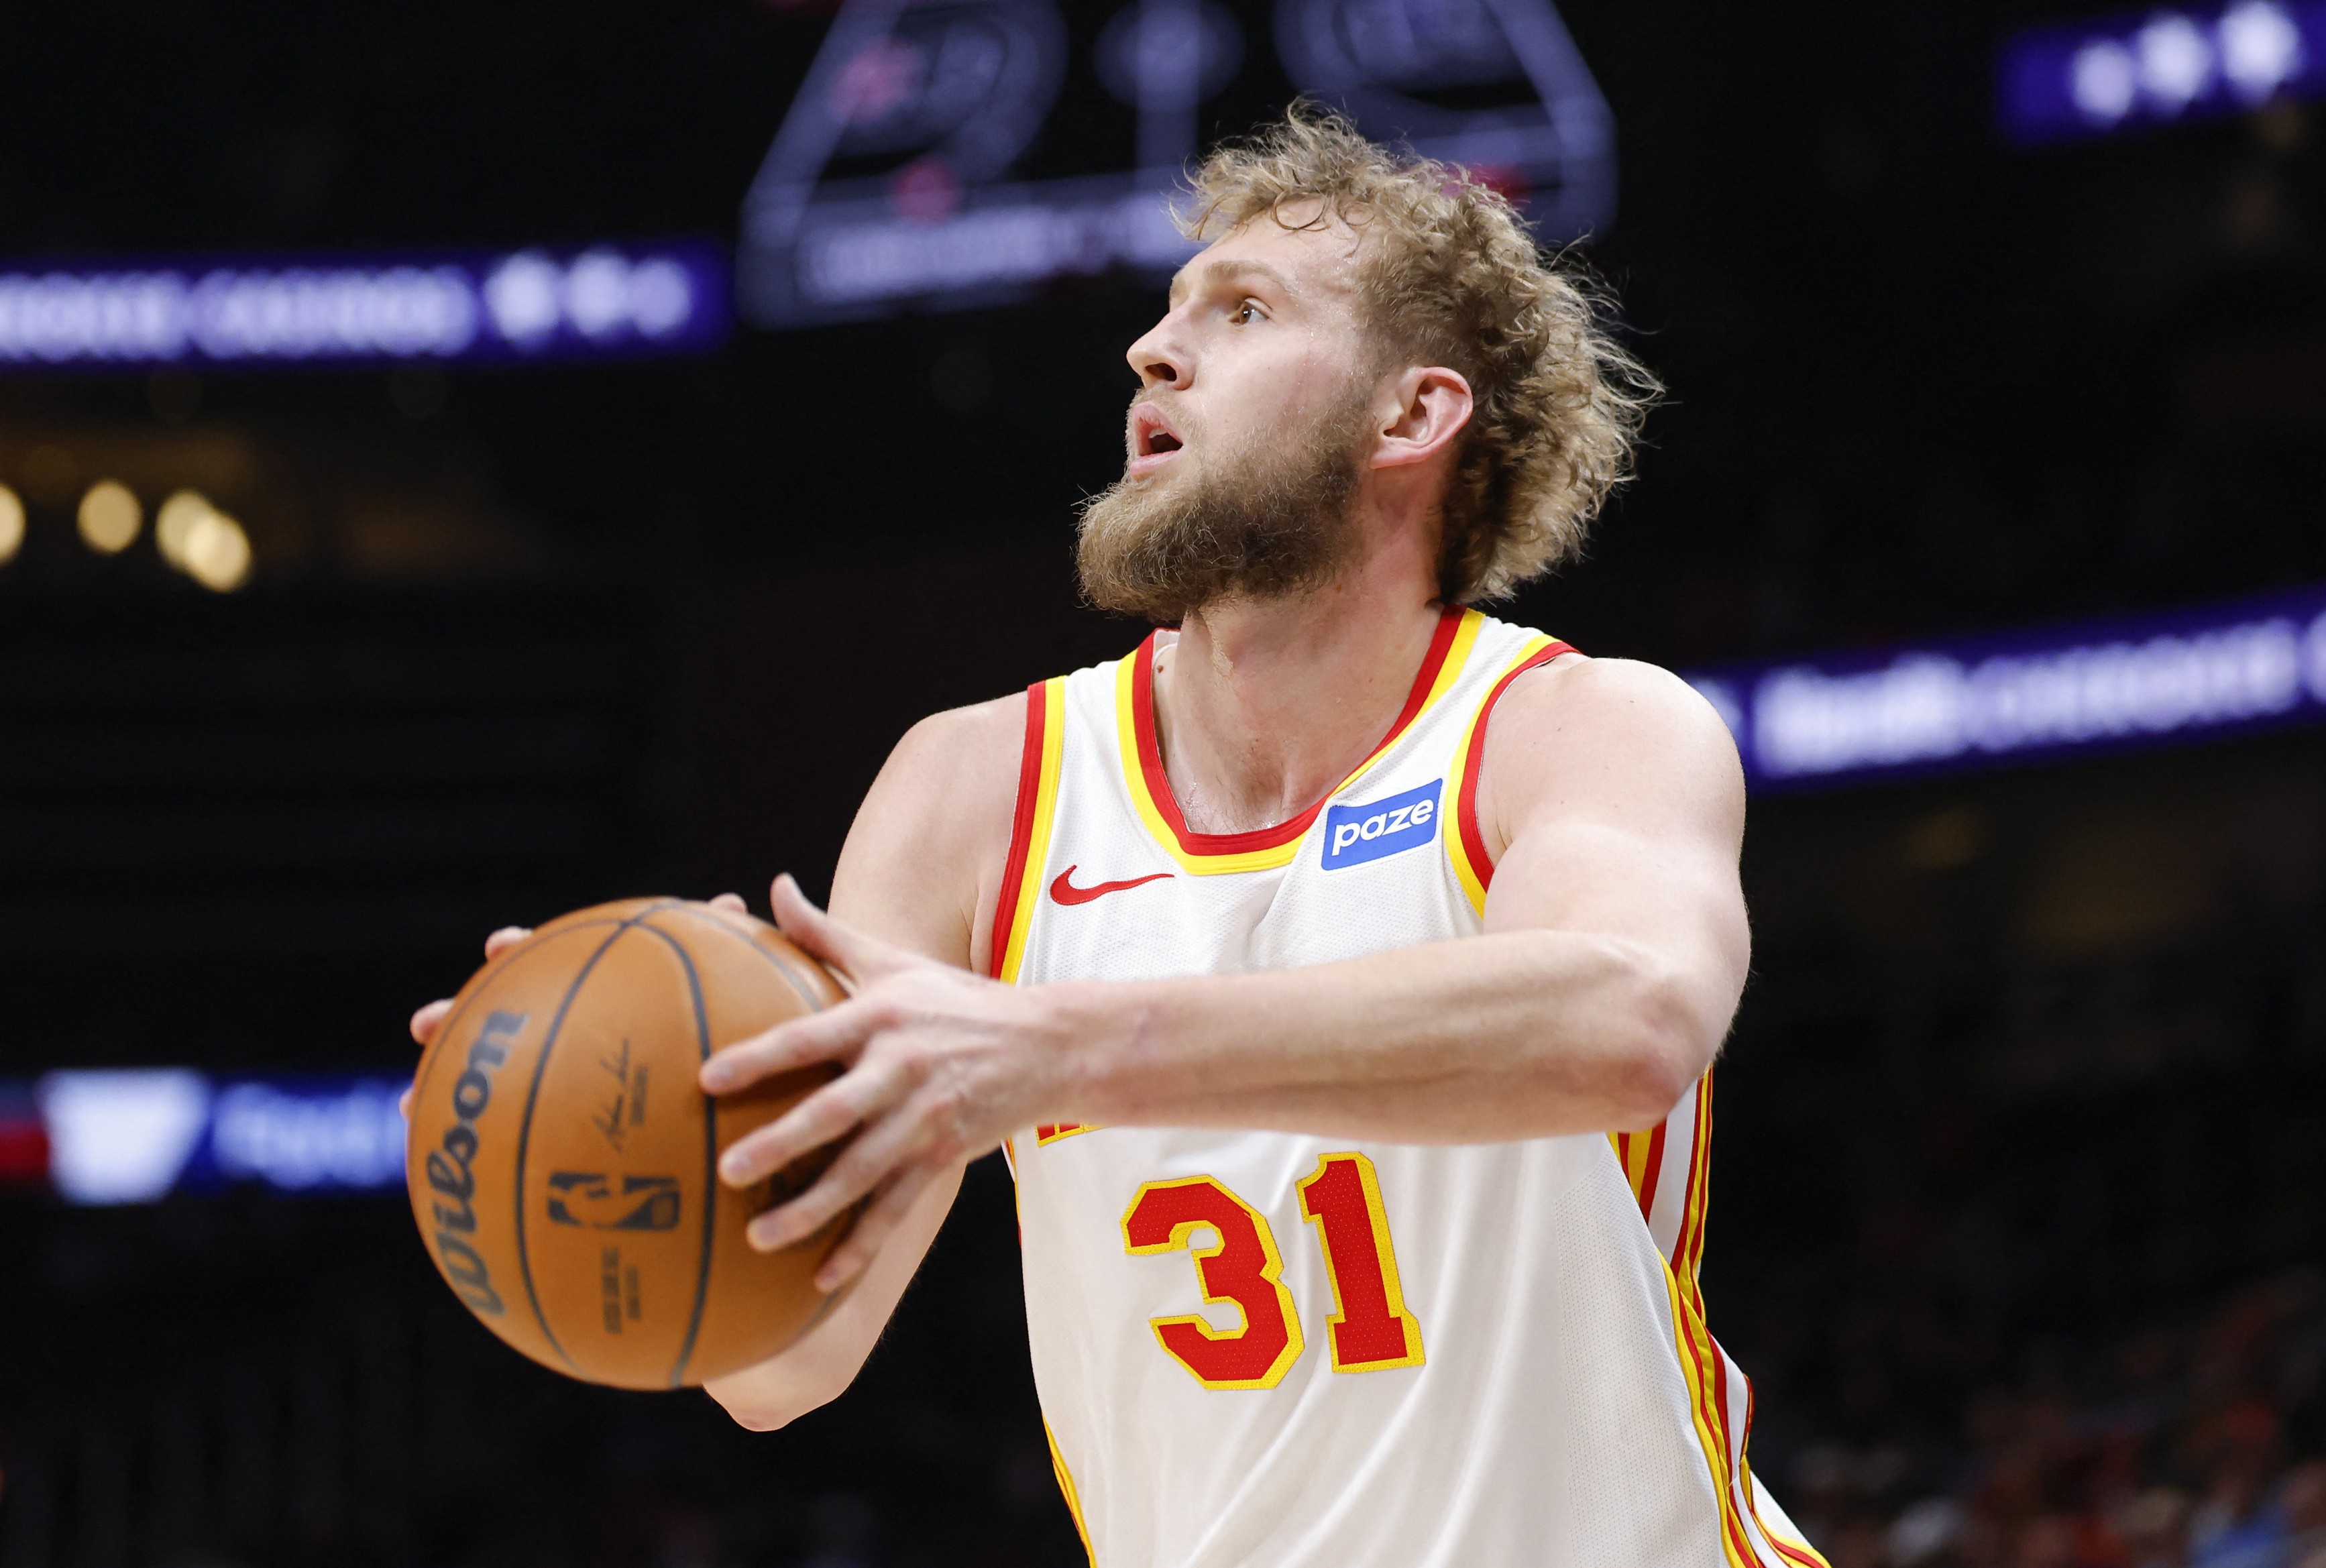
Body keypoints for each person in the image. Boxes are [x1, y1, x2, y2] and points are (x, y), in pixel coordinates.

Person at [414, 106, 1822, 1568]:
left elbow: (1628, 1015)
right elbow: (784, 1365)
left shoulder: (1568, 726)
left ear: (1411, 415)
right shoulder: (973, 789)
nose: (1153, 351)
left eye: (1243, 310)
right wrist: (625, 1133)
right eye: (1165, 315)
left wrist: (1055, 1047)